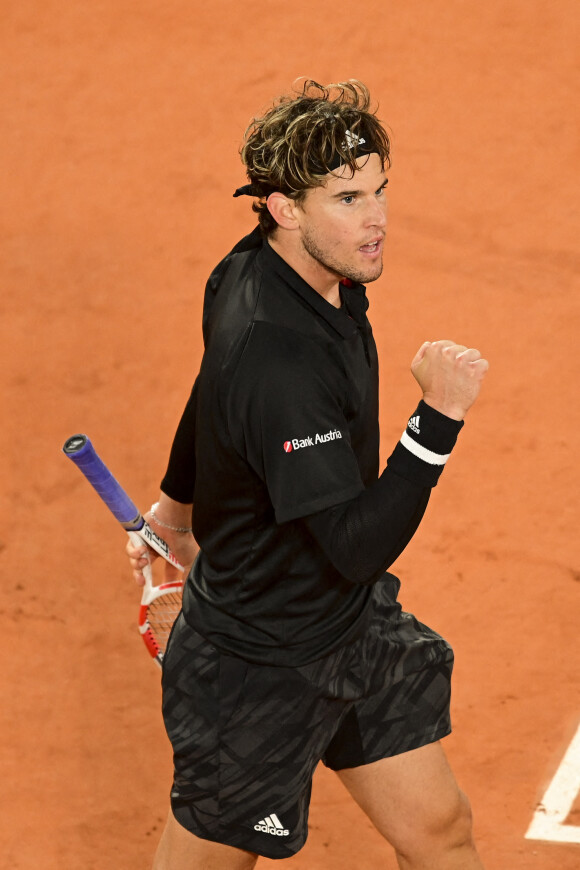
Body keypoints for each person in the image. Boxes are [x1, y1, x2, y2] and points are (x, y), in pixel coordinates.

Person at [127, 79, 489, 870]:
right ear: (285, 208)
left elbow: (209, 392)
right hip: (258, 667)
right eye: (349, 198)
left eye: (380, 191)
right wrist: (438, 423)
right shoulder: (278, 358)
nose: (378, 219)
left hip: (347, 628)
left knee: (440, 831)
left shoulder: (262, 272)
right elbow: (357, 546)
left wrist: (173, 509)